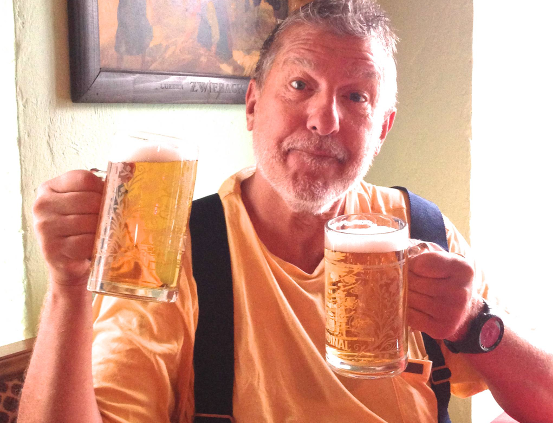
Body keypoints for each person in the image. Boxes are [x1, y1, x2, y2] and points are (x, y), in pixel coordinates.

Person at [19, 0, 553, 422]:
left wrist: (473, 322)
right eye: (300, 85)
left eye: (356, 97)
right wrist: (68, 287)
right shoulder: (168, 256)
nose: (324, 120)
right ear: (253, 105)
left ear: (383, 128)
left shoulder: (423, 231)